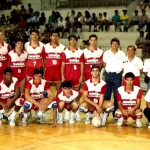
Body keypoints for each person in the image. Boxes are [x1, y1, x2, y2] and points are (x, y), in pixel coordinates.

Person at [61, 35, 83, 121]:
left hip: (77, 77)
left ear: (76, 41)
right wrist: (62, 76)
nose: (73, 41)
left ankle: (75, 112)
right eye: (71, 39)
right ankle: (67, 111)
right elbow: (62, 65)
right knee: (68, 95)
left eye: (74, 39)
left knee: (76, 96)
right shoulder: (65, 52)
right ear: (69, 41)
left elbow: (82, 65)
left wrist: (81, 76)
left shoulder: (80, 52)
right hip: (68, 77)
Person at [103, 38, 125, 118]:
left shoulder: (122, 54)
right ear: (111, 44)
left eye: (116, 43)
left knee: (116, 95)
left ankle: (115, 113)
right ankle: (105, 113)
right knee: (107, 95)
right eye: (113, 43)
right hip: (108, 75)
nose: (115, 45)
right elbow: (104, 64)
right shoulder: (106, 53)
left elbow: (123, 66)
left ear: (118, 45)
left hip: (117, 76)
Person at [8, 38, 27, 118]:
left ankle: (21, 111)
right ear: (15, 44)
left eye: (22, 43)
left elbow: (27, 65)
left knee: (22, 94)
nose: (20, 45)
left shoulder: (26, 53)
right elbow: (8, 66)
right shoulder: (10, 53)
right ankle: (11, 110)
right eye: (19, 43)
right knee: (14, 94)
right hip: (13, 77)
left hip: (22, 76)